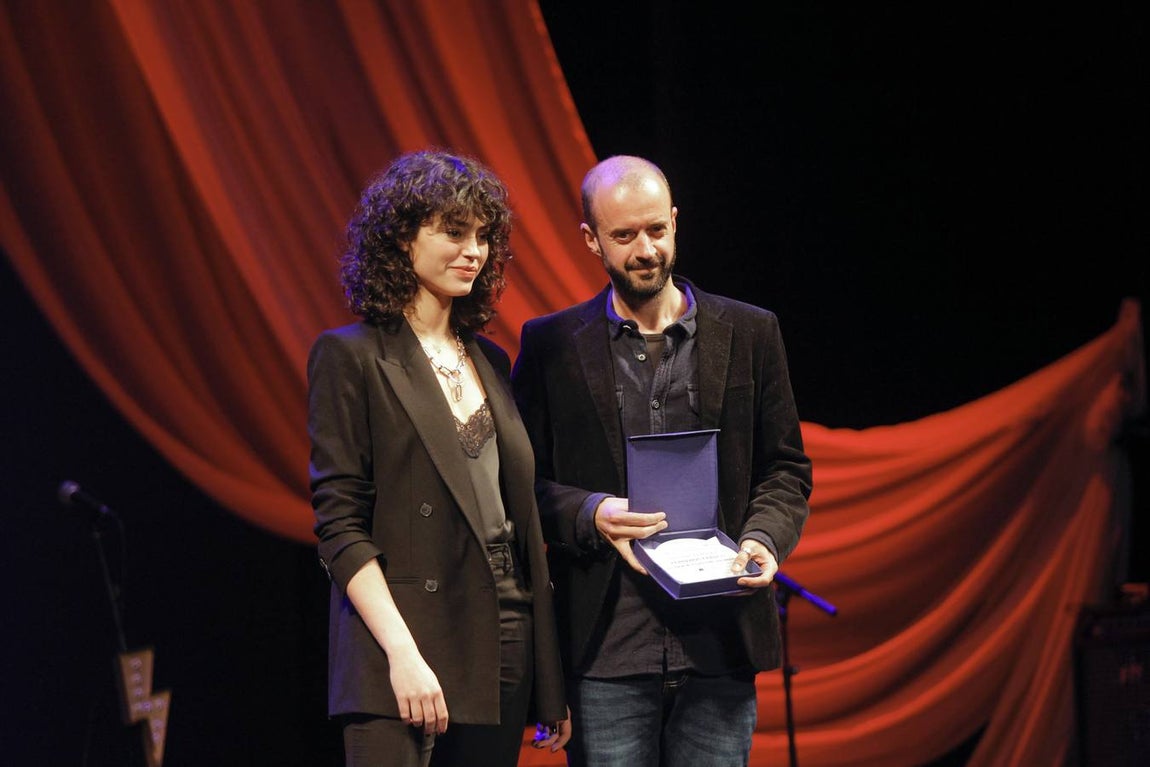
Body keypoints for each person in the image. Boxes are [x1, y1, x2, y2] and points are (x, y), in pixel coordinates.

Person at [511, 155, 812, 767]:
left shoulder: (752, 333)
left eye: (656, 229)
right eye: (624, 236)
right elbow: (515, 485)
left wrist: (764, 538)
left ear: (675, 222)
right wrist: (590, 512)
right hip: (606, 654)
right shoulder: (549, 347)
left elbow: (786, 468)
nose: (645, 249)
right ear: (591, 240)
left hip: (720, 646)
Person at [308, 149, 570, 767]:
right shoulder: (350, 356)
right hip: (398, 642)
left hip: (501, 634)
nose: (473, 250)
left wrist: (547, 678)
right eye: (453, 232)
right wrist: (402, 655)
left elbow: (521, 520)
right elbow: (340, 524)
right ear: (402, 238)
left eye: (483, 236)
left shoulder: (493, 363)